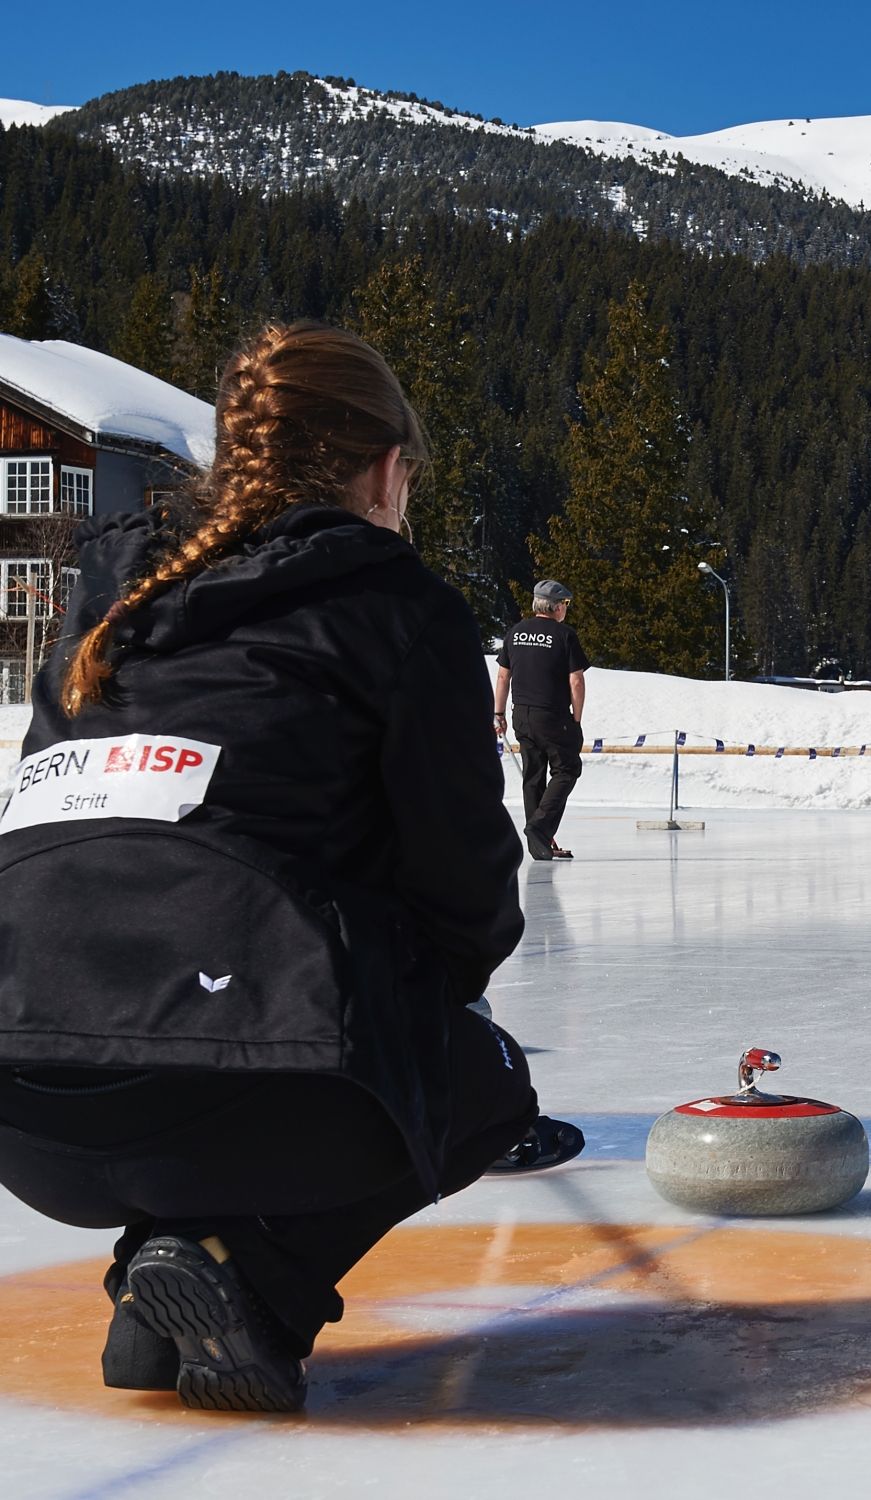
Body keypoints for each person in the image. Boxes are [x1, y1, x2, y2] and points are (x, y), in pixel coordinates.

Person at [0, 324, 581, 1414]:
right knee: (481, 1081)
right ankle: (249, 1276)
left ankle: (164, 1281)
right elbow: (464, 892)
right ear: (384, 468)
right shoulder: (397, 607)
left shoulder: (107, 599)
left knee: (198, 1031)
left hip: (21, 1106)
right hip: (229, 1090)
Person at [495, 579, 590, 860]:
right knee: (567, 769)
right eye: (566, 605)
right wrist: (577, 717)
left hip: (521, 714)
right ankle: (539, 827)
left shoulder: (515, 633)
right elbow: (576, 680)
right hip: (552, 715)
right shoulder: (564, 635)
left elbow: (503, 676)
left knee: (533, 776)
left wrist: (498, 713)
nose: (566, 610)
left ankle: (540, 844)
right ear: (557, 606)